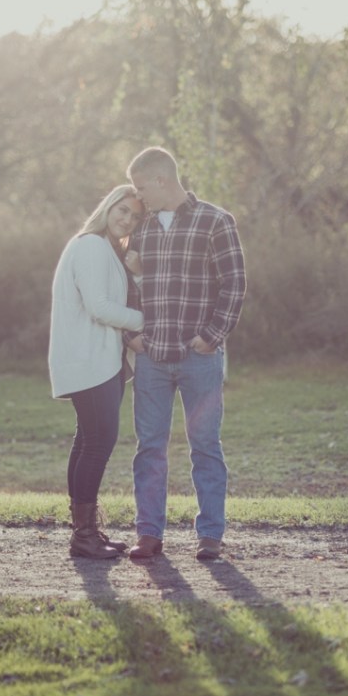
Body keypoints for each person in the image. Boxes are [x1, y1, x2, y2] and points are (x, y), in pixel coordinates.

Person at [124, 147, 246, 561]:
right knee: (150, 446)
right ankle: (148, 534)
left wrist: (212, 336)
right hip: (152, 357)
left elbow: (234, 284)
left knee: (205, 444)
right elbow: (124, 285)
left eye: (142, 188)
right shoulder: (140, 229)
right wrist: (131, 336)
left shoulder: (215, 220)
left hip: (199, 358)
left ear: (161, 180)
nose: (138, 198)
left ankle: (210, 534)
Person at [48, 185, 145, 559]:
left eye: (135, 216)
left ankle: (86, 531)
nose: (127, 219)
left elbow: (112, 300)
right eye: (122, 210)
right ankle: (83, 536)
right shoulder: (90, 245)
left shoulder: (106, 249)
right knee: (99, 442)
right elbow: (100, 307)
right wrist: (144, 322)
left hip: (100, 360)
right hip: (88, 361)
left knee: (87, 440)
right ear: (108, 206)